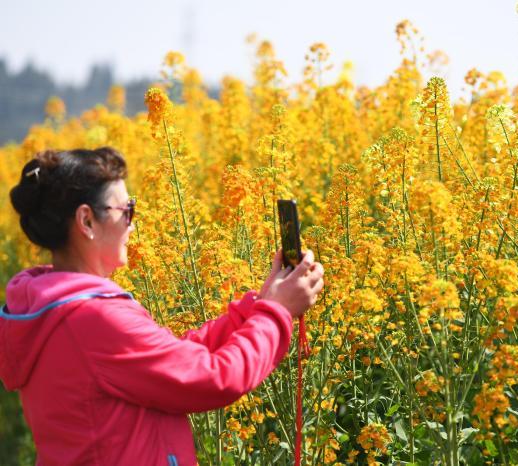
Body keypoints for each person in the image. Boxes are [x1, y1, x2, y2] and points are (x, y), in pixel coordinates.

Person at [0, 147, 324, 466]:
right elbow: (213, 378)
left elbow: (171, 359)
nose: (132, 225)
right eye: (126, 211)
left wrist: (259, 306)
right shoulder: (93, 317)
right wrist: (277, 312)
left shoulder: (48, 309)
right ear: (86, 220)